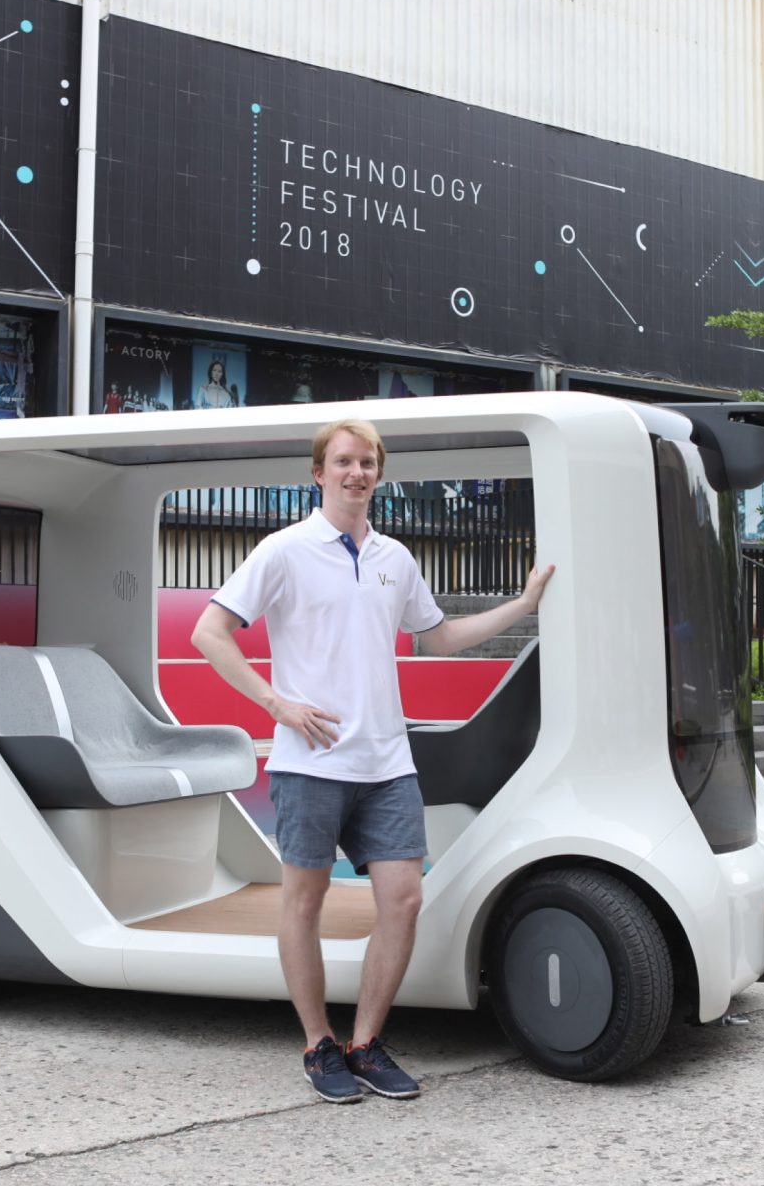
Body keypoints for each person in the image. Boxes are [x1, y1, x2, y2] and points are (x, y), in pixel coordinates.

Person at [192, 419, 554, 1104]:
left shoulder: (396, 557)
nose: (356, 473)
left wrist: (525, 605)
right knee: (304, 904)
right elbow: (210, 633)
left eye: (368, 463)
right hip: (311, 762)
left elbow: (440, 638)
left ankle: (365, 1043)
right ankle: (317, 1045)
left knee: (404, 899)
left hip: (387, 762)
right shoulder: (284, 550)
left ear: (378, 475)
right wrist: (277, 704)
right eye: (344, 462)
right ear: (319, 473)